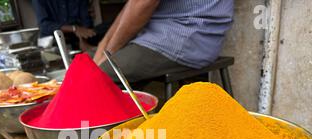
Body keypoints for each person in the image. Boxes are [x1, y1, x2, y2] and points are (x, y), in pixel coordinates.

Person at [94, 0, 234, 83]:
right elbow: (133, 5)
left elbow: (143, 3)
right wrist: (104, 46)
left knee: (99, 77)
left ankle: (115, 131)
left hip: (187, 34)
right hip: (162, 31)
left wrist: (108, 53)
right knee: (85, 62)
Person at [32, 0, 96, 49]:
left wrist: (83, 39)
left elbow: (86, 21)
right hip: (50, 43)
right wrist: (74, 29)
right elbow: (44, 25)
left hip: (77, 40)